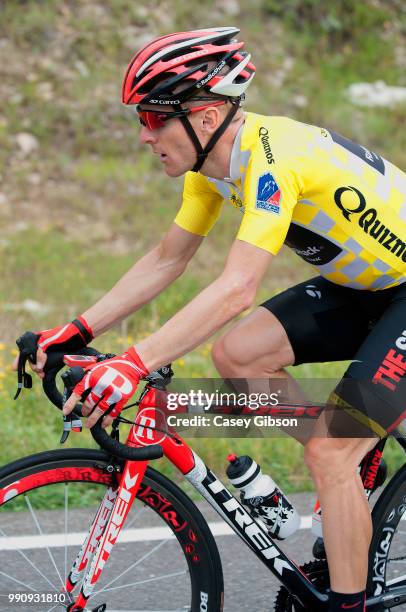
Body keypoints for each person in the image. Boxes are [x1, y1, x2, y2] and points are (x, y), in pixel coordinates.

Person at [14, 27, 405, 612]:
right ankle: (343, 480)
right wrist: (78, 331)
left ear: (203, 116)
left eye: (152, 118)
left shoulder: (274, 160)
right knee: (238, 356)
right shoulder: (209, 170)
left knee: (330, 448)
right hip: (366, 285)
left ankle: (340, 489)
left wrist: (133, 364)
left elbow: (237, 288)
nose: (144, 136)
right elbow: (168, 258)